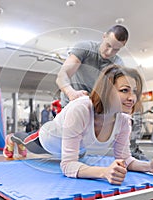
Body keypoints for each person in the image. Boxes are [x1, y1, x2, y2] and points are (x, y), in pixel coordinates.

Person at [3, 65, 153, 185]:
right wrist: (103, 172)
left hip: (77, 147)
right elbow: (67, 166)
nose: (132, 98)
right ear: (106, 90)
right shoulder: (81, 109)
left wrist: (149, 167)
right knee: (25, 140)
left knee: (78, 157)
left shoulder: (124, 121)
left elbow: (124, 159)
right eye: (125, 90)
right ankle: (12, 138)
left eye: (135, 92)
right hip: (50, 140)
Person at [55, 24, 148, 160]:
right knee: (70, 147)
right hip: (74, 100)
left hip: (96, 102)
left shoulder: (117, 62)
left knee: (135, 110)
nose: (110, 52)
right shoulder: (85, 48)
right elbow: (62, 75)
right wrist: (71, 93)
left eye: (116, 49)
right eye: (108, 45)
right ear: (104, 36)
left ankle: (132, 151)